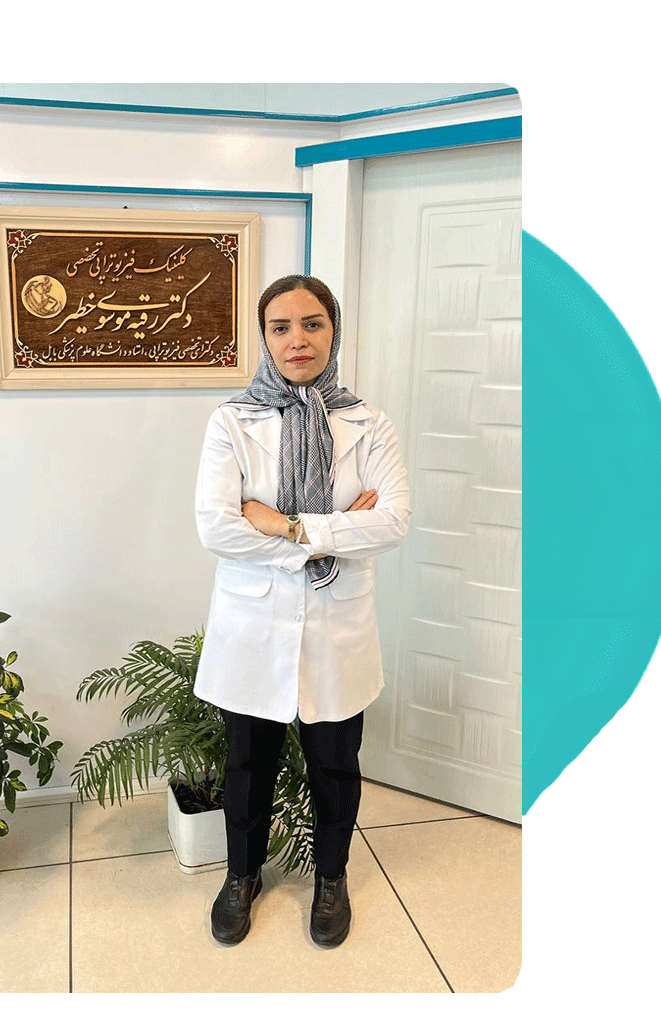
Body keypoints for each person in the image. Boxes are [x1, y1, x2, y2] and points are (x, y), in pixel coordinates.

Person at [193, 274, 411, 947]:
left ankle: (331, 877)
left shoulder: (370, 423)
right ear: (263, 337)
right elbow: (216, 527)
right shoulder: (232, 421)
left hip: (338, 623)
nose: (297, 340)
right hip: (252, 624)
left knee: (336, 766)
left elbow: (393, 522)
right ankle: (241, 875)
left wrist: (286, 525)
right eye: (281, 327)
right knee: (246, 765)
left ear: (333, 332)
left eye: (312, 324)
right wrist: (337, 528)